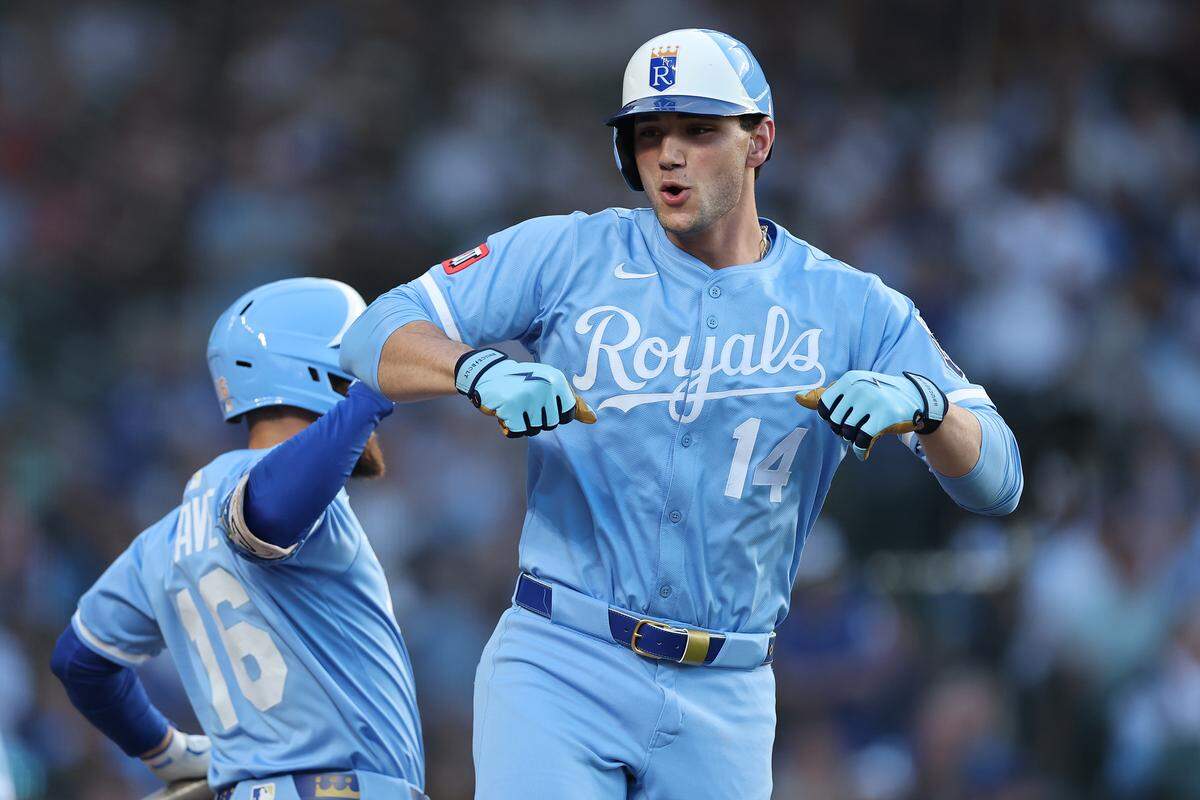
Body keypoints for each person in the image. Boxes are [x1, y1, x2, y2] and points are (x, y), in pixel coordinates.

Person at [339, 28, 1022, 799]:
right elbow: (371, 332)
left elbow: (1000, 482)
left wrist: (927, 407)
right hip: (562, 659)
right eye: (649, 133)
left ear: (759, 139)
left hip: (725, 691)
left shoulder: (852, 305)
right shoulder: (568, 254)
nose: (669, 154)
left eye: (699, 131)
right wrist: (475, 368)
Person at [50, 278, 426, 800]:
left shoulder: (166, 538)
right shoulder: (279, 498)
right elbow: (266, 514)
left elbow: (80, 659)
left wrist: (165, 751)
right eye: (363, 359)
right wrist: (370, 399)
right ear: (330, 371)